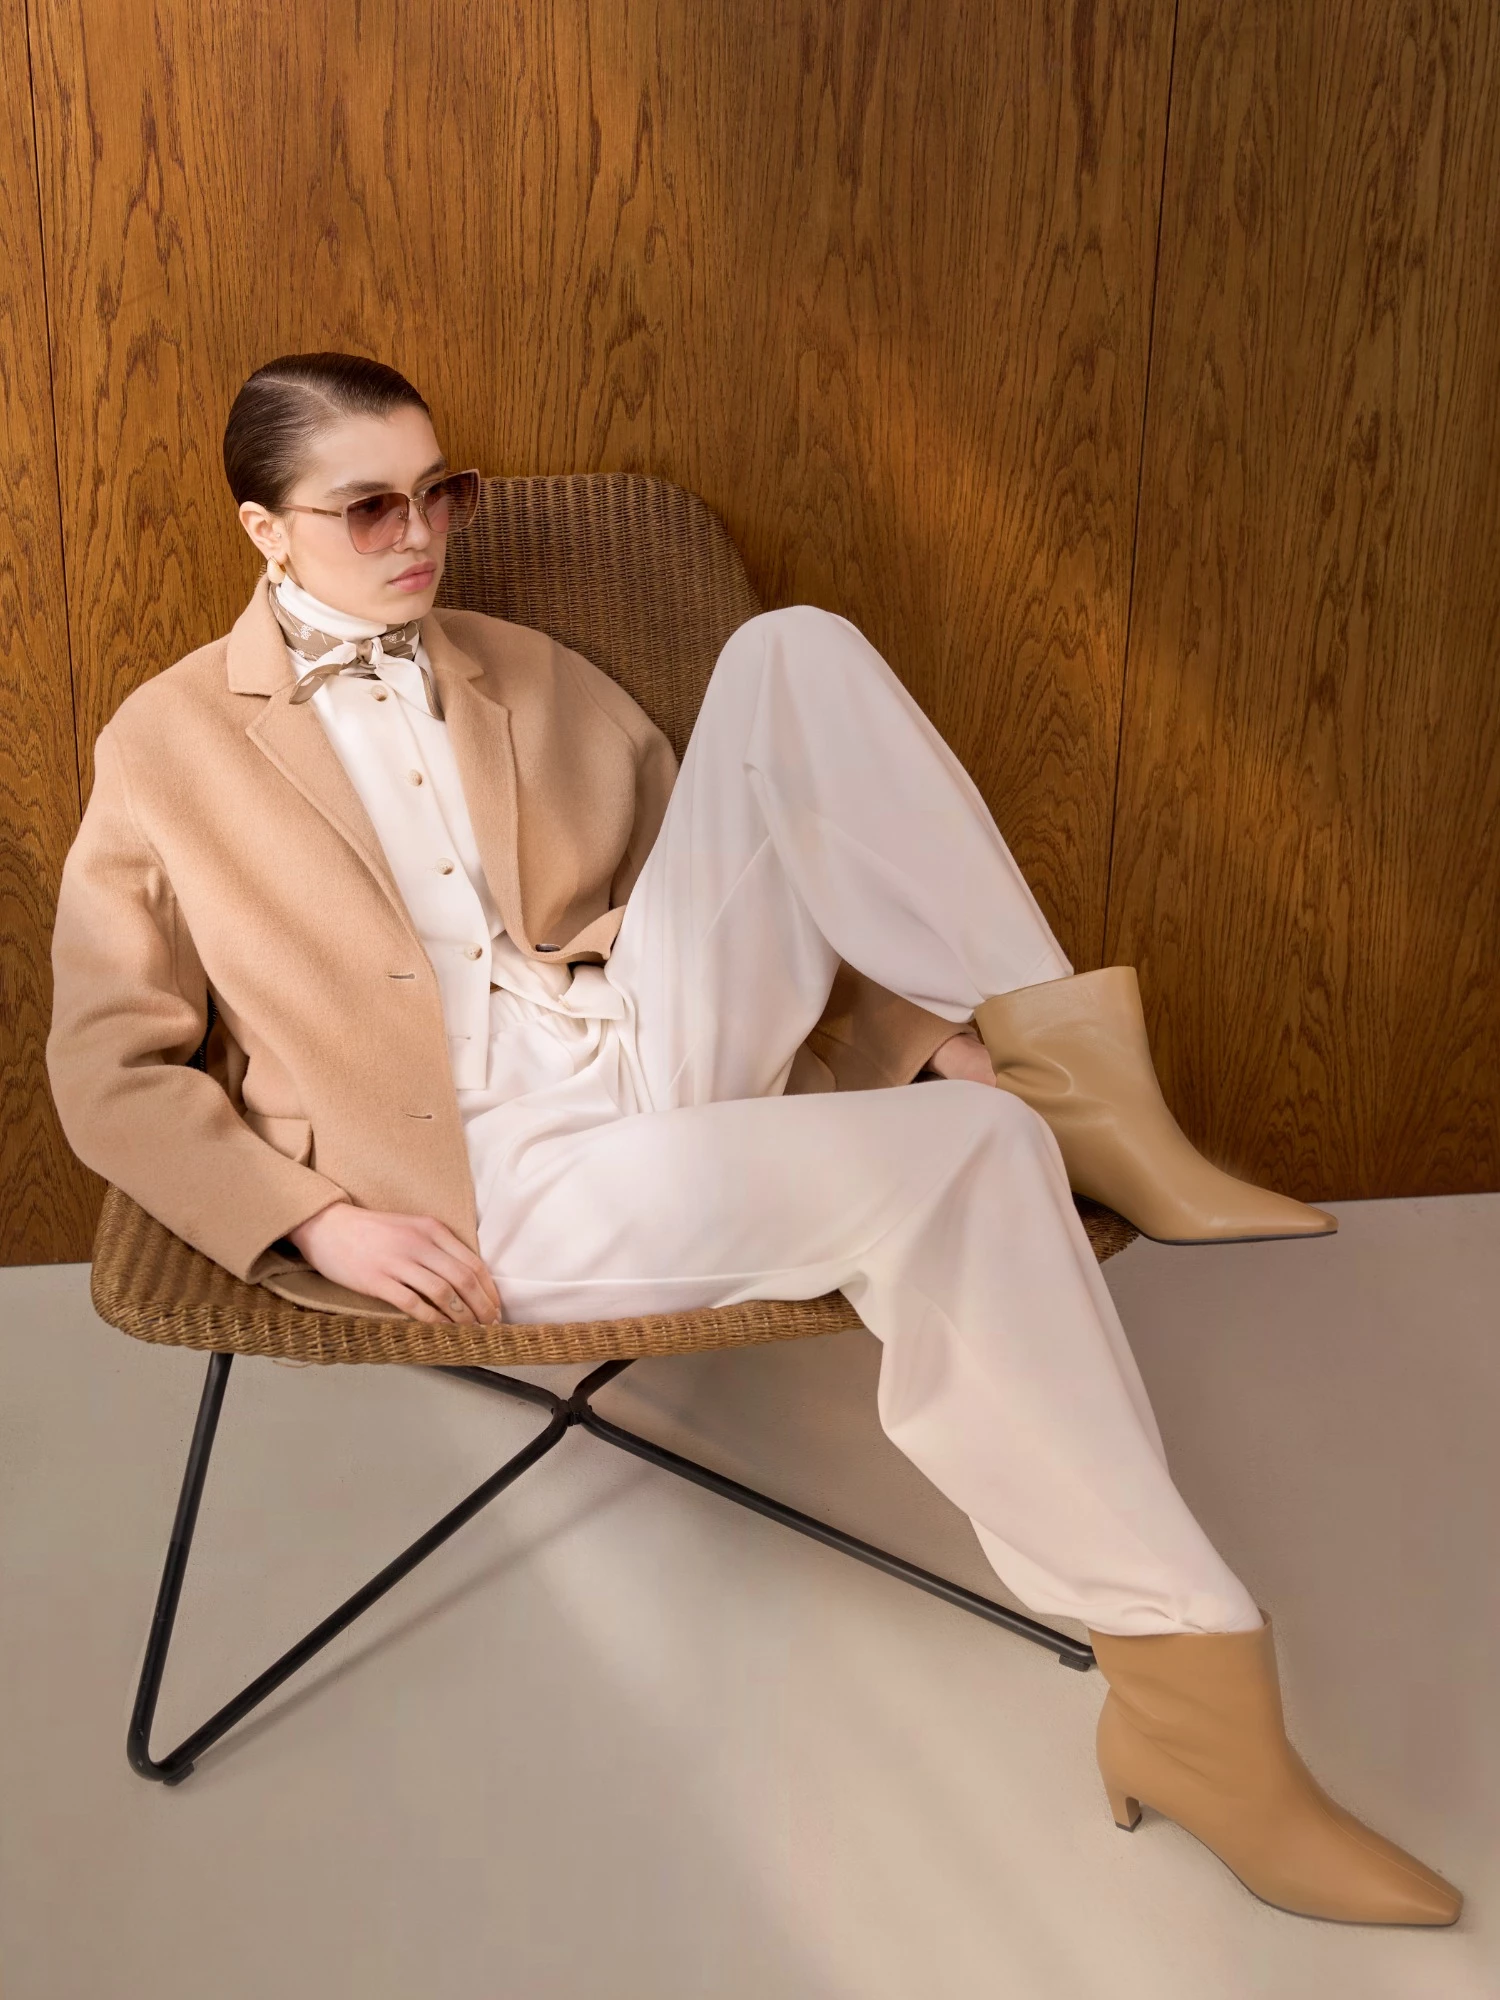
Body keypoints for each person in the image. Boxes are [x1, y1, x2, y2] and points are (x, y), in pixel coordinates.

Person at [46, 352, 1460, 1926]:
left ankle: (1075, 1081)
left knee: (794, 654)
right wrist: (314, 1219)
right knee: (976, 1162)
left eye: (443, 494)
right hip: (486, 1180)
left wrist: (932, 1040)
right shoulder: (165, 745)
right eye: (368, 507)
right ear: (265, 527)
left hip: (651, 1050)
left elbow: (765, 876)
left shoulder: (524, 669)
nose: (421, 535)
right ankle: (1198, 1714)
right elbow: (108, 1061)